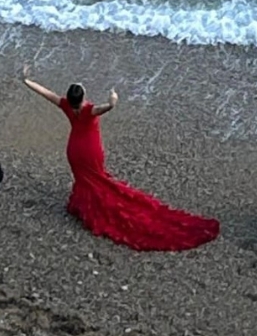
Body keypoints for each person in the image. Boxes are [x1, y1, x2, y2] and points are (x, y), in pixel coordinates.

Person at [19, 66, 219, 251]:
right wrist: (113, 99)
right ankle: (97, 208)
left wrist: (27, 80)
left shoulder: (66, 105)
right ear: (83, 97)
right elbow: (108, 107)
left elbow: (46, 93)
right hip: (90, 149)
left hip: (74, 150)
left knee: (86, 180)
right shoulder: (89, 110)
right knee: (99, 179)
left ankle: (84, 206)